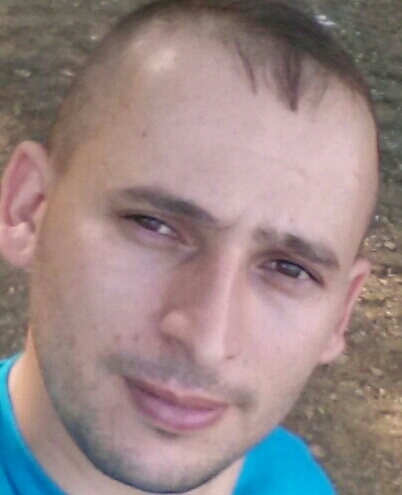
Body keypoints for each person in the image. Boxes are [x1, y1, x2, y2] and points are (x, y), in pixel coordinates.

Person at [0, 1, 379, 494]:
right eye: (153, 225)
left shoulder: (296, 480)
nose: (206, 342)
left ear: (340, 313)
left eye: (289, 269)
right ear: (28, 209)